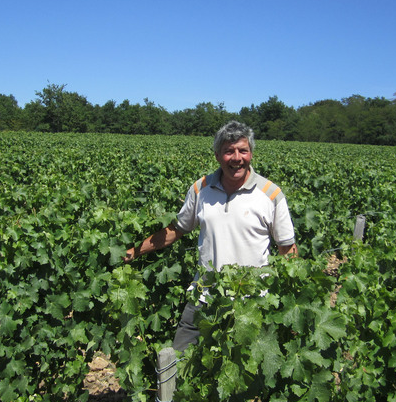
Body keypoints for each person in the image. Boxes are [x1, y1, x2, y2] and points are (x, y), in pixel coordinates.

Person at [124, 120, 298, 351]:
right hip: (203, 297)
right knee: (177, 364)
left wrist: (290, 305)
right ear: (217, 156)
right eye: (229, 151)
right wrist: (136, 250)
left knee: (239, 376)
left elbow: (287, 250)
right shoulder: (200, 188)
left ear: (251, 154)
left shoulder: (271, 194)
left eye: (242, 150)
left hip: (252, 304)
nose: (237, 157)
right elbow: (176, 229)